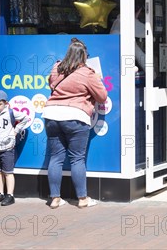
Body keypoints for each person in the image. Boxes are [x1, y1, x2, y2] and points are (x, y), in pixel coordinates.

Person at [43, 37, 108, 209]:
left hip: (51, 115)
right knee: (77, 159)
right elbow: (102, 97)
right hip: (75, 116)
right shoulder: (88, 73)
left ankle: (55, 199)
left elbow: (51, 84)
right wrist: (97, 80)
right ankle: (82, 199)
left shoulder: (57, 67)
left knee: (55, 157)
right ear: (84, 56)